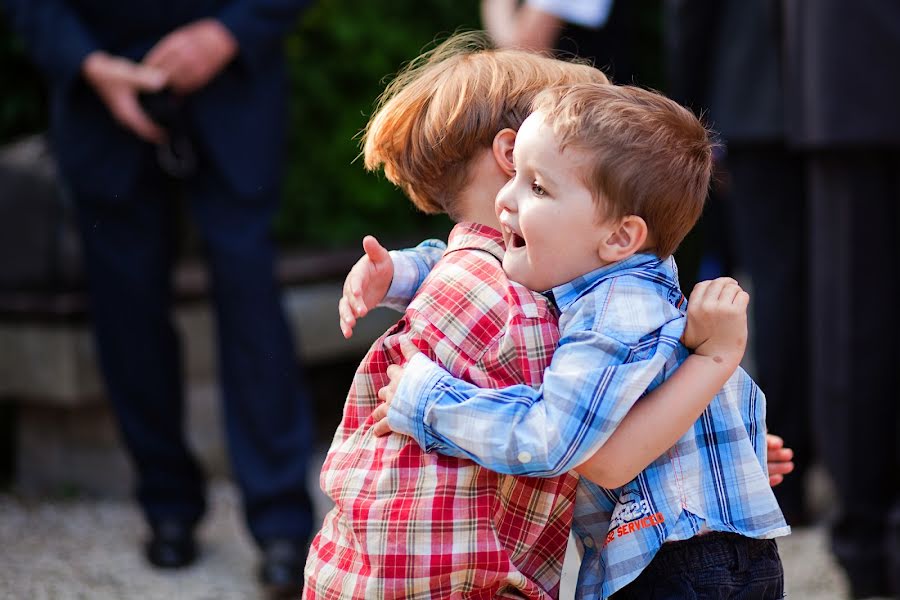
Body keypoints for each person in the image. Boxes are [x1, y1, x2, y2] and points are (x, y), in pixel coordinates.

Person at [305, 33, 757, 599]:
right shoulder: (518, 301)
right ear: (511, 153)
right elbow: (588, 442)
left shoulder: (532, 282)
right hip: (440, 580)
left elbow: (608, 403)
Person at [2, 0, 315, 594]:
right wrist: (87, 63)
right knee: (128, 314)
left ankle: (281, 521)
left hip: (234, 84)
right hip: (101, 95)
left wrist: (230, 32)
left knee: (251, 304)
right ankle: (166, 502)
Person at [665, 0, 813, 528]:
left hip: (752, 93)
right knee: (849, 287)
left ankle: (788, 478)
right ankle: (847, 466)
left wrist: (690, 128)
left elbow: (691, 16)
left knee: (777, 288)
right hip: (848, 92)